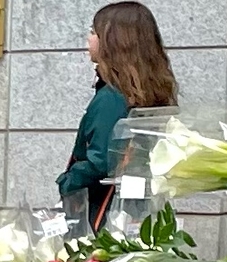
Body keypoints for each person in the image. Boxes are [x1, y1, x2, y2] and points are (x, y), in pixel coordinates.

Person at [60, 4, 177, 230]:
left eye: (94, 32)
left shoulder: (111, 98)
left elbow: (101, 161)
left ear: (113, 42)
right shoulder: (147, 92)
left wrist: (67, 182)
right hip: (135, 209)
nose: (88, 38)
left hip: (103, 211)